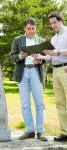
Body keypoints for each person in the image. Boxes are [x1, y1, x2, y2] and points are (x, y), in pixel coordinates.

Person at [10, 17, 47, 141]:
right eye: (29, 29)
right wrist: (20, 56)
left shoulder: (41, 40)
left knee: (40, 103)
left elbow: (47, 58)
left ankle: (41, 131)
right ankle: (30, 130)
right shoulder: (18, 40)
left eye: (33, 28)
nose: (31, 31)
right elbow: (12, 57)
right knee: (25, 104)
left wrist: (40, 59)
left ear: (36, 28)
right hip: (23, 72)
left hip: (36, 72)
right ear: (24, 28)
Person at [35, 12, 67, 142]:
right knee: (60, 103)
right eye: (51, 23)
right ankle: (65, 132)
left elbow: (57, 53)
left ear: (61, 20)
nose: (53, 25)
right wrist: (42, 57)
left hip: (66, 69)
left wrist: (57, 52)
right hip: (56, 71)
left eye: (54, 22)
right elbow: (52, 57)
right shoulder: (53, 39)